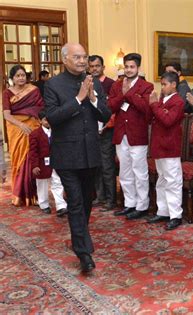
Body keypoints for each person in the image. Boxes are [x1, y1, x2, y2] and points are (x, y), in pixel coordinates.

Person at [44, 43, 111, 272]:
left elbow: (106, 113)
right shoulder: (53, 85)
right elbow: (52, 117)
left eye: (85, 57)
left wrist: (92, 98)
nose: (82, 61)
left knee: (86, 199)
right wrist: (78, 99)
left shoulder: (94, 82)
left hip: (90, 151)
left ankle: (79, 237)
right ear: (64, 60)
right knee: (75, 201)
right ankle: (83, 253)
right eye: (77, 57)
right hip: (66, 154)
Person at [109, 53, 154, 220]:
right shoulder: (116, 85)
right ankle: (129, 203)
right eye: (126, 67)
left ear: (138, 68)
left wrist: (130, 94)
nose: (128, 70)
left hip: (138, 134)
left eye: (132, 67)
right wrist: (122, 93)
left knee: (140, 171)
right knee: (125, 171)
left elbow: (146, 108)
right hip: (121, 134)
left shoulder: (146, 86)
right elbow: (111, 107)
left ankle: (142, 206)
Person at [147, 72, 185, 230]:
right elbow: (154, 118)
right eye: (161, 84)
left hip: (170, 146)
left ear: (173, 84)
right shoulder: (162, 100)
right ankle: (163, 211)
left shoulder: (178, 101)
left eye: (164, 84)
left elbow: (168, 120)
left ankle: (176, 215)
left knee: (173, 181)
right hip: (159, 145)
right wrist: (153, 105)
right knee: (161, 180)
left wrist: (155, 105)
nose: (161, 87)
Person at [2, 65, 43, 206]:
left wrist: (31, 123)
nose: (21, 78)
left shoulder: (34, 90)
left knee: (34, 158)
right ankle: (21, 194)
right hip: (16, 129)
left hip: (32, 125)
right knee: (20, 160)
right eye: (18, 76)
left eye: (23, 75)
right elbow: (6, 115)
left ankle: (36, 195)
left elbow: (40, 108)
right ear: (12, 78)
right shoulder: (7, 93)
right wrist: (21, 125)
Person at [88, 55, 117, 210]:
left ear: (103, 67)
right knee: (96, 166)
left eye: (97, 66)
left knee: (107, 166)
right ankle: (100, 197)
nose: (94, 69)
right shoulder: (86, 83)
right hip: (92, 131)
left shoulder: (111, 84)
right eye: (91, 66)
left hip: (107, 130)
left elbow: (113, 108)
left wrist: (107, 124)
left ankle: (111, 200)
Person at [29, 110, 67, 216]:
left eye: (49, 119)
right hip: (41, 164)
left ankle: (61, 206)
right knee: (42, 184)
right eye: (45, 119)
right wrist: (35, 166)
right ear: (40, 121)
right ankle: (44, 205)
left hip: (55, 162)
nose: (48, 122)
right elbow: (33, 152)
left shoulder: (56, 132)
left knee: (57, 182)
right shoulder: (35, 134)